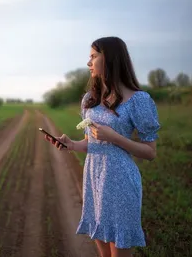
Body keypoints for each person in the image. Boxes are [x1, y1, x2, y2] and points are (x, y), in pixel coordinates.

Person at [44, 36, 160, 257]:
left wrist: (115, 137)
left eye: (94, 57)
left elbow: (150, 152)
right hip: (93, 179)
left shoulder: (139, 100)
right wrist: (71, 145)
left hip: (120, 181)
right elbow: (91, 143)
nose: (89, 63)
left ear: (111, 59)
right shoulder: (90, 99)